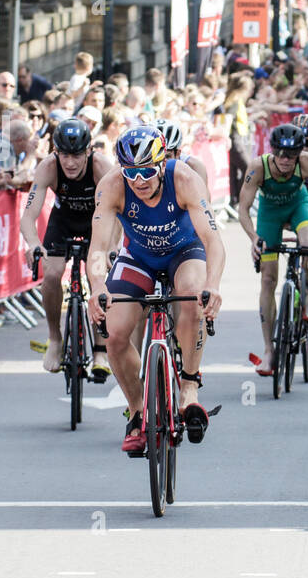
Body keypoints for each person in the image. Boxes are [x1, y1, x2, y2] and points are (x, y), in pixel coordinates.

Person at [87, 125, 226, 453]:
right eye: (131, 172)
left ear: (163, 163)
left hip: (184, 251)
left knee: (192, 295)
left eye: (148, 171)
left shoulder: (185, 179)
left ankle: (189, 387)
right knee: (115, 331)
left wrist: (214, 285)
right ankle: (137, 411)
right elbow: (97, 247)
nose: (140, 180)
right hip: (139, 257)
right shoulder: (111, 186)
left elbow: (213, 240)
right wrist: (96, 287)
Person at [21, 117, 116, 377]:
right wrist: (32, 244)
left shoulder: (102, 167)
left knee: (97, 278)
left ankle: (100, 349)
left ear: (88, 151)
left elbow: (117, 211)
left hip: (96, 222)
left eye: (76, 155)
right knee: (51, 274)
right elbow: (28, 216)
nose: (70, 163)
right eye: (64, 155)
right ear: (56, 153)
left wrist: (111, 247)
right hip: (62, 221)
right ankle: (55, 339)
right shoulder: (48, 167)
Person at [236, 123, 308, 377]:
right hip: (270, 214)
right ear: (273, 151)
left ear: (299, 152)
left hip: (300, 206)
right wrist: (253, 238)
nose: (286, 160)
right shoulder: (258, 167)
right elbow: (243, 209)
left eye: (292, 154)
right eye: (281, 154)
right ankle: (268, 350)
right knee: (268, 278)